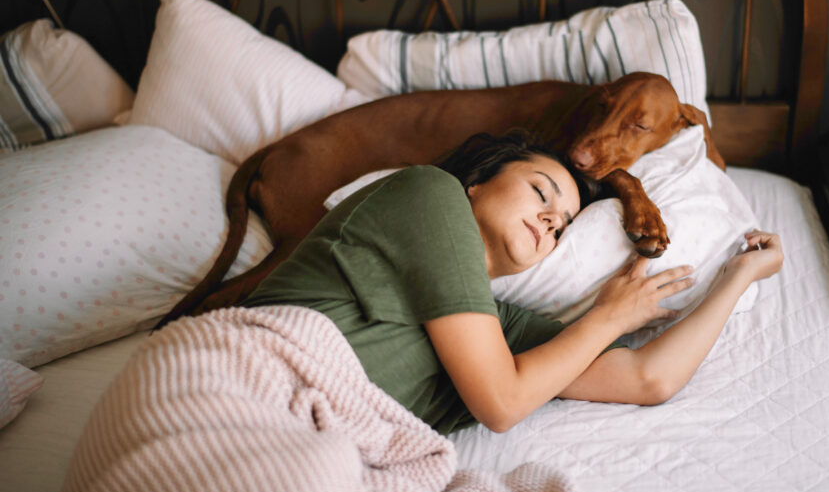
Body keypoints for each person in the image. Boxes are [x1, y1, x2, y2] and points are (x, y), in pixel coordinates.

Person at [241, 132, 783, 435]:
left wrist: (738, 276)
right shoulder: (429, 193)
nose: (551, 220)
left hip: (313, 447)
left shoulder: (499, 335)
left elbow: (649, 379)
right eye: (541, 192)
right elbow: (501, 403)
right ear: (477, 183)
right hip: (247, 380)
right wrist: (608, 318)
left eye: (563, 227)